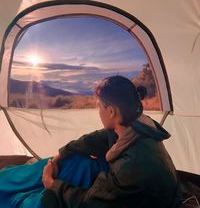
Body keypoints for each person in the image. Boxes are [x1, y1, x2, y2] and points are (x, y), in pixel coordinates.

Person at [41, 75, 182, 208]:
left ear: (111, 111)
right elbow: (91, 140)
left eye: (99, 106)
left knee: (46, 199)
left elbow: (88, 204)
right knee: (78, 159)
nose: (98, 111)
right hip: (149, 193)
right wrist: (57, 158)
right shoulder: (134, 127)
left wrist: (52, 185)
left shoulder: (130, 166)